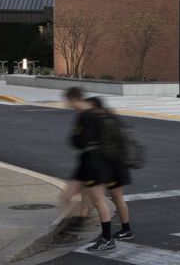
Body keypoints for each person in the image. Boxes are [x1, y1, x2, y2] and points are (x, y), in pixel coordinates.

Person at [59, 87, 118, 252]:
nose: (67, 105)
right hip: (85, 162)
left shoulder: (88, 116)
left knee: (98, 200)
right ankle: (75, 225)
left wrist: (77, 139)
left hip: (94, 163)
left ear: (74, 99)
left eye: (68, 102)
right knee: (66, 195)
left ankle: (107, 238)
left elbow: (80, 140)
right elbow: (76, 139)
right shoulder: (83, 115)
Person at [89, 97, 137, 242]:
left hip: (112, 165)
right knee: (117, 198)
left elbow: (104, 147)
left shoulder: (104, 122)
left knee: (106, 198)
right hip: (118, 164)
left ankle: (112, 235)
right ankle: (126, 230)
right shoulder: (110, 118)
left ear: (96, 109)